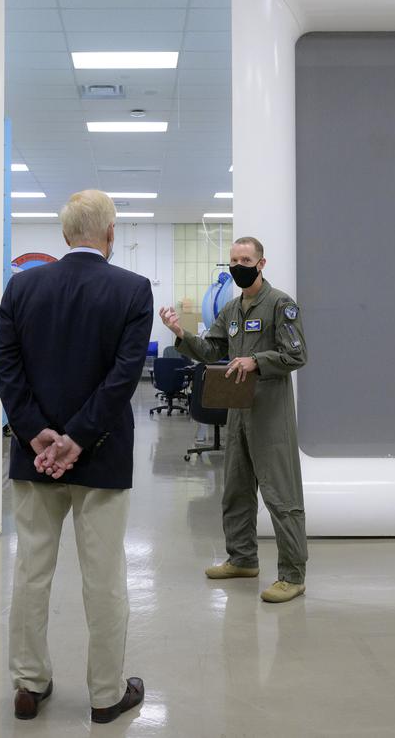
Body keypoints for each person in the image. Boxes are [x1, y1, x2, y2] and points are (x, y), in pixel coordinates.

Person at [0, 189, 152, 723]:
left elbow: (5, 366)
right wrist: (79, 438)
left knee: (31, 571)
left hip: (33, 461)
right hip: (102, 458)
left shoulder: (23, 287)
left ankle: (28, 684)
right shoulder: (132, 290)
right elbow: (123, 378)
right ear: (110, 236)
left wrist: (37, 433)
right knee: (103, 578)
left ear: (64, 237)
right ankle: (107, 696)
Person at [158, 237, 309, 603]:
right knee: (236, 492)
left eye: (246, 259)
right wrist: (181, 334)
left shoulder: (279, 305)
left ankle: (292, 575)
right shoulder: (231, 308)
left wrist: (257, 361)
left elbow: (297, 354)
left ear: (261, 264)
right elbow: (213, 349)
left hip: (270, 414)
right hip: (238, 413)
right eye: (234, 260)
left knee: (280, 495)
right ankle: (242, 559)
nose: (238, 265)